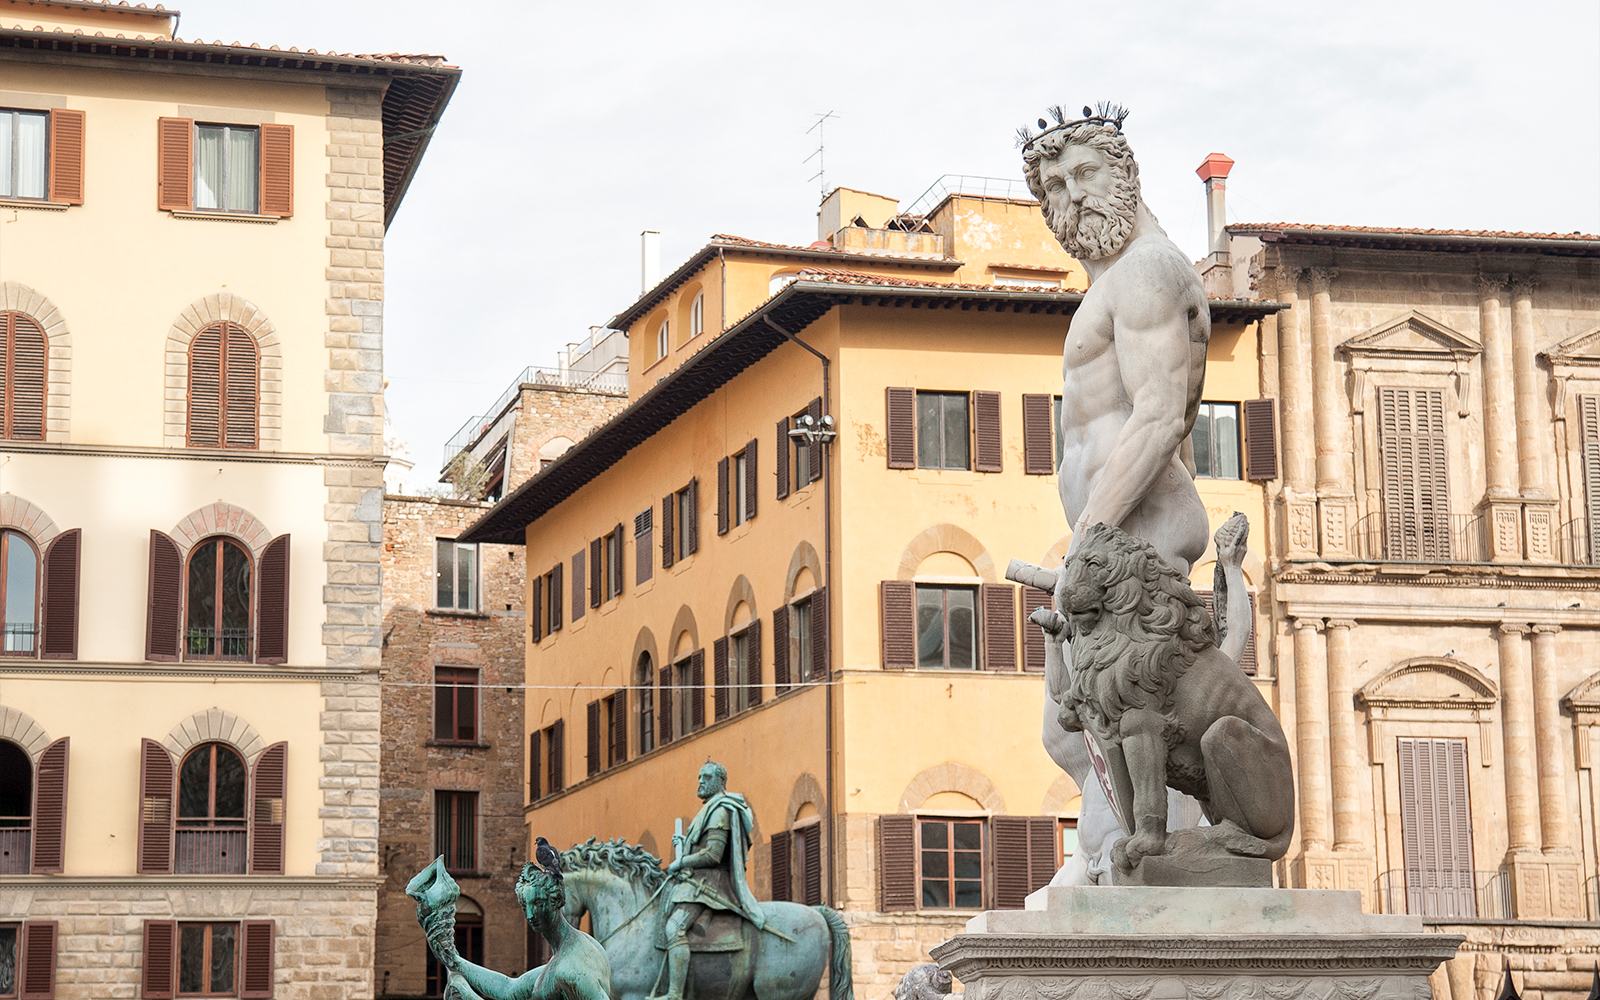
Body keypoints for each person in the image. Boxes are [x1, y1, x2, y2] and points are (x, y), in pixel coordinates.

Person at [1019, 105, 1214, 883]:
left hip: (1134, 540)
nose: (1070, 196)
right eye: (1053, 187)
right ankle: (1119, 850)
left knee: (1128, 712)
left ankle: (1142, 855)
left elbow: (1161, 413)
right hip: (1112, 547)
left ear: (1125, 171)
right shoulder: (1114, 284)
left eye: (1085, 173)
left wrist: (1086, 546)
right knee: (1071, 729)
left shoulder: (1146, 272)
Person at [412, 860, 609, 1000]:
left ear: (557, 901)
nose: (531, 914)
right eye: (526, 906)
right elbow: (510, 988)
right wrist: (454, 960)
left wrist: (467, 995)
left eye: (539, 903)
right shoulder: (582, 946)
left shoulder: (570, 971)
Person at [657, 761, 763, 1000]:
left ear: (719, 782)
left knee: (674, 928)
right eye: (699, 777)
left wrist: (681, 862)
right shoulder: (708, 809)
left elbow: (713, 854)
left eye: (706, 777)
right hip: (698, 880)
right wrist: (683, 845)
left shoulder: (720, 810)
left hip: (711, 884)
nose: (701, 782)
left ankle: (674, 993)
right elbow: (702, 848)